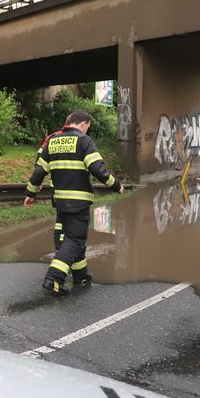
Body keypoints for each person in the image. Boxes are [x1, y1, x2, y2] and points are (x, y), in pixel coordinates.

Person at [24, 110, 124, 296]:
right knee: (75, 239)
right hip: (79, 202)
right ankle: (54, 279)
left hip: (60, 201)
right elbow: (97, 168)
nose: (87, 130)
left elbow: (39, 172)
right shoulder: (83, 141)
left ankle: (81, 276)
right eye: (88, 127)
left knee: (72, 238)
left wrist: (30, 193)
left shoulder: (53, 141)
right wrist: (116, 185)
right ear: (84, 123)